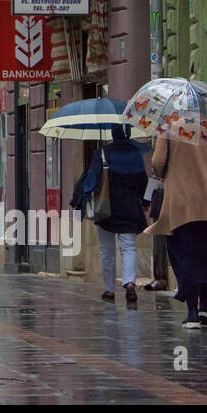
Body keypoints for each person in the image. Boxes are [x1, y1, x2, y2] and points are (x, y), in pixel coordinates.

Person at [146, 132, 207, 329]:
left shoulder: (170, 129)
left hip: (180, 203)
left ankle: (192, 312)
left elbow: (157, 163)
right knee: (204, 253)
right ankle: (205, 308)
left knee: (183, 254)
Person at [83, 125, 150, 304]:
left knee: (107, 250)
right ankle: (129, 283)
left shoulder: (104, 152)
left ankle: (109, 289)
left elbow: (92, 180)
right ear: (127, 133)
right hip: (129, 206)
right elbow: (143, 180)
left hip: (106, 207)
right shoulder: (135, 153)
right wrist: (145, 202)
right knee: (128, 247)